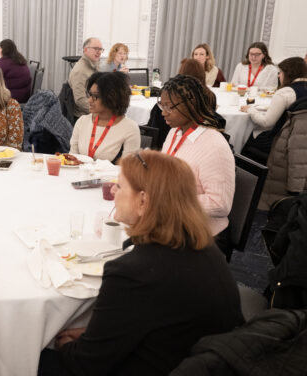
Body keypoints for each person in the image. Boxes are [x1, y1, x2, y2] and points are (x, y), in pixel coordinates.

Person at [38, 151, 244, 376]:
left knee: (32, 359)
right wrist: (92, 333)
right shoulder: (203, 248)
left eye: (120, 186)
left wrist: (64, 343)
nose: (113, 191)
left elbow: (86, 364)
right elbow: (153, 318)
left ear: (143, 201)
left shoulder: (133, 272)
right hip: (210, 362)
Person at [159, 75, 235, 257]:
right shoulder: (174, 133)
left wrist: (169, 201)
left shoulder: (213, 145)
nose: (163, 112)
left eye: (170, 106)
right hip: (174, 222)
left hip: (202, 234)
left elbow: (220, 204)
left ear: (191, 105)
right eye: (162, 105)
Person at [240, 56, 307, 164]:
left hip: (279, 140)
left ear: (288, 73)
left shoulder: (285, 93)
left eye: (280, 72)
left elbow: (266, 122)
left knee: (243, 136)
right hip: (300, 141)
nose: (279, 75)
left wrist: (251, 110)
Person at [70, 72, 140, 162]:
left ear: (112, 97)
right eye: (90, 94)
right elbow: (71, 159)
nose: (89, 100)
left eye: (95, 96)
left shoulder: (130, 128)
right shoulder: (82, 122)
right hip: (79, 175)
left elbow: (127, 170)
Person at [68, 37, 102, 119]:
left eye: (100, 49)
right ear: (85, 50)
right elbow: (80, 100)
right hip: (84, 116)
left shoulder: (92, 65)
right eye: (95, 48)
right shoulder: (81, 71)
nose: (99, 52)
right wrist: (100, 111)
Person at [0, 39, 32, 103]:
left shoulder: (3, 63)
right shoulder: (20, 59)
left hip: (13, 97)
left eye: (0, 48)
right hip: (25, 95)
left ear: (2, 50)